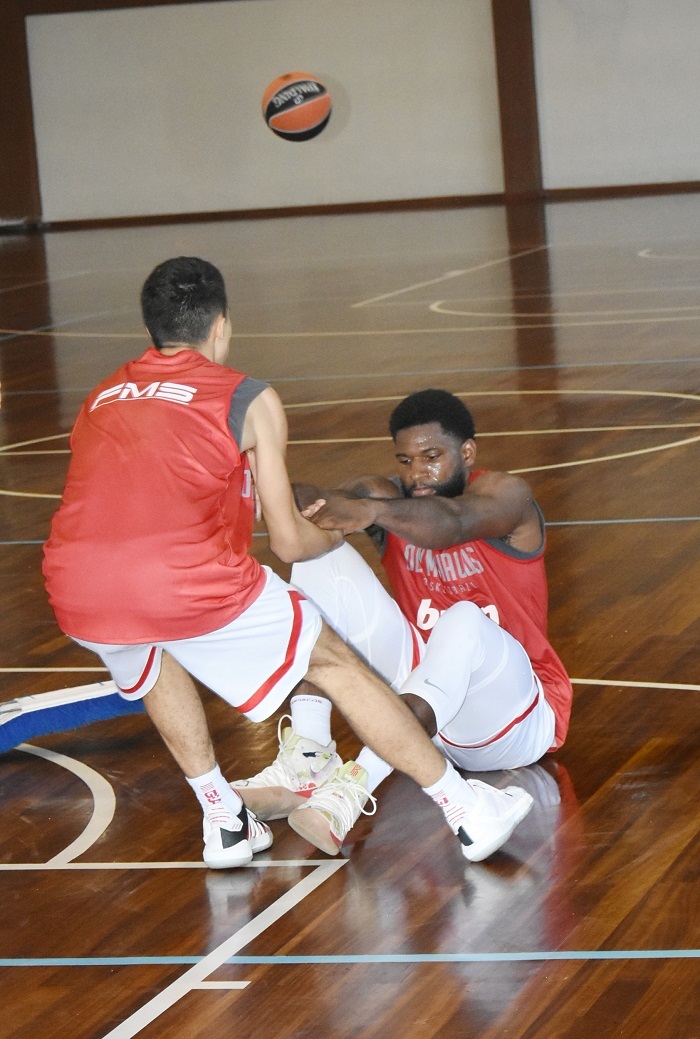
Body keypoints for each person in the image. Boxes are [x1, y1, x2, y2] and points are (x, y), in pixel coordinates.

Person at [42, 262, 533, 870]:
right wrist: (332, 536)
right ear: (220, 326)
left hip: (75, 585)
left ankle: (224, 822)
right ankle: (467, 809)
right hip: (184, 578)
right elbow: (289, 544)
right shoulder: (246, 397)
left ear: (150, 330)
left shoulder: (101, 396)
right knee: (333, 662)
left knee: (151, 655)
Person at [232, 389, 572, 856]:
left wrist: (372, 513)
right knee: (319, 559)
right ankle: (308, 761)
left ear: (467, 452)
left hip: (514, 717)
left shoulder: (508, 496)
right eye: (406, 461)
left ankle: (354, 787)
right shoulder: (388, 496)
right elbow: (318, 500)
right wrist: (276, 491)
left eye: (432, 458)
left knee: (463, 619)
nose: (417, 474)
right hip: (425, 705)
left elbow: (452, 523)